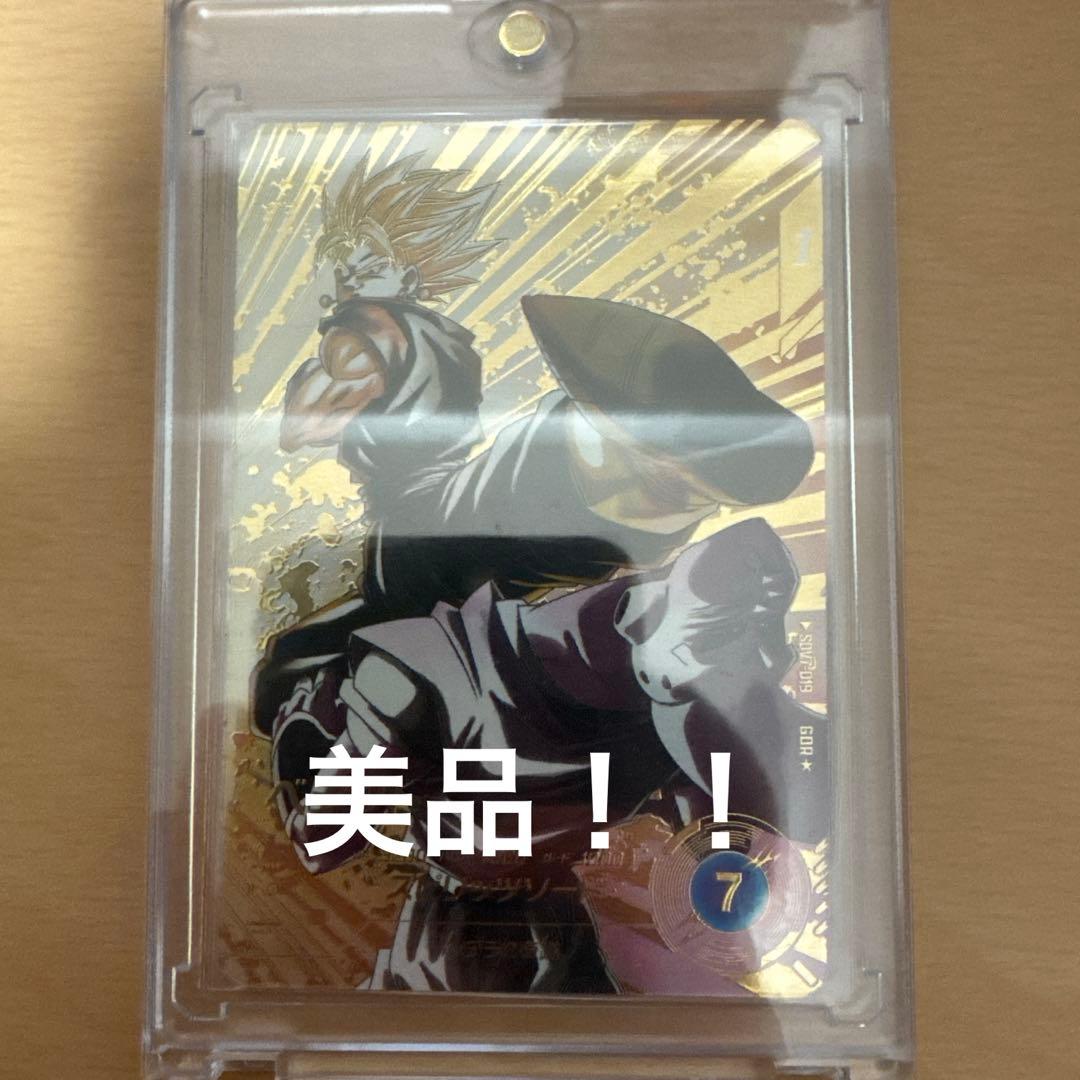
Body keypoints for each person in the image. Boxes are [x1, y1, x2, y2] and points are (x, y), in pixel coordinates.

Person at [252, 154, 816, 744]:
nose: (686, 499)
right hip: (430, 564)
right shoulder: (537, 433)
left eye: (701, 497)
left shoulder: (670, 513)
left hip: (502, 635)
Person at [270, 518, 829, 993]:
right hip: (454, 951)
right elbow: (322, 843)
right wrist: (309, 740)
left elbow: (738, 831)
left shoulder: (676, 700)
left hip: (566, 946)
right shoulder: (427, 672)